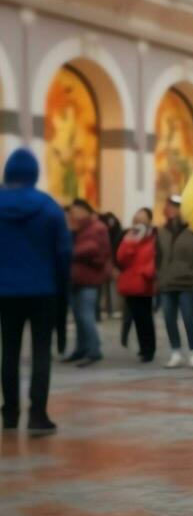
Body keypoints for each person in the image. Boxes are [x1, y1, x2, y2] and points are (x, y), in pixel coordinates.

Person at [0, 149, 72, 435]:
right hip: (44, 291)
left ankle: (9, 413)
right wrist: (62, 286)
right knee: (42, 351)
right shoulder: (49, 207)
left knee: (9, 351)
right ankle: (37, 416)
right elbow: (63, 253)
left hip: (5, 292)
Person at [156, 195, 193, 368]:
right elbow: (157, 256)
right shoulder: (161, 231)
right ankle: (175, 352)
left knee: (188, 317)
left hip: (188, 283)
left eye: (173, 207)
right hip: (167, 282)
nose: (169, 210)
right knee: (168, 317)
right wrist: (159, 275)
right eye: (168, 207)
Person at [67, 199, 111, 366]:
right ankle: (81, 348)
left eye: (75, 211)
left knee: (86, 316)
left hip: (90, 278)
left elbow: (99, 251)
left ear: (85, 210)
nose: (73, 214)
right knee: (78, 316)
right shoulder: (77, 228)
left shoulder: (97, 227)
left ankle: (94, 350)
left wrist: (74, 252)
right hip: (75, 278)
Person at [116, 208, 157, 363]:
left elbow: (155, 256)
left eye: (141, 219)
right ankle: (142, 348)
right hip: (130, 282)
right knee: (136, 317)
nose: (138, 222)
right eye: (136, 219)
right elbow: (121, 258)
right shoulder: (129, 235)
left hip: (145, 282)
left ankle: (149, 349)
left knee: (146, 317)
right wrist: (131, 243)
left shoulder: (154, 236)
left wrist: (147, 272)